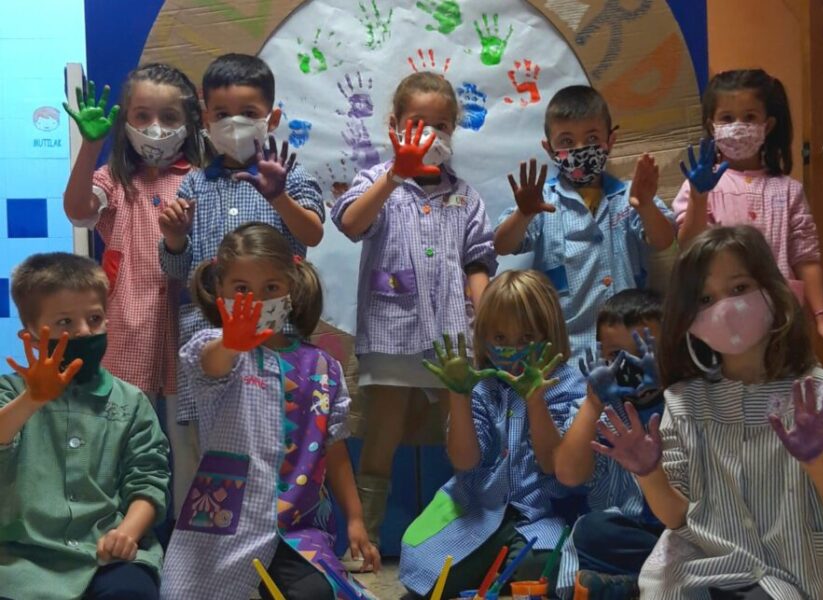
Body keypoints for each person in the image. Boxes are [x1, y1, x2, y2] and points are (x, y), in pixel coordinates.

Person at [595, 226, 823, 599]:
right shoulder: (682, 400)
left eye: (740, 288)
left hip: (797, 573)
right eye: (705, 298)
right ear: (689, 318)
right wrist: (648, 474)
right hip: (704, 567)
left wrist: (817, 461)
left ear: (772, 290)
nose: (725, 308)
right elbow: (676, 517)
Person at [160, 223, 379, 600]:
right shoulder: (213, 347)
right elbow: (211, 365)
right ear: (220, 290)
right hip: (224, 525)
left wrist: (356, 519)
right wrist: (232, 342)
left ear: (290, 289)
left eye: (271, 288)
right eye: (242, 289)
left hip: (296, 528)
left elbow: (335, 449)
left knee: (318, 594)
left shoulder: (322, 367)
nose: (257, 301)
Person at [331, 72, 496, 548]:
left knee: (465, 433)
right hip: (392, 333)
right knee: (382, 435)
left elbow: (478, 262)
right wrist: (394, 176)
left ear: (453, 130)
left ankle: (471, 532)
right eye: (418, 124)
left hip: (455, 338)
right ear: (395, 126)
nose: (431, 134)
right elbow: (350, 223)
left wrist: (486, 324)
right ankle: (365, 538)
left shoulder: (465, 196)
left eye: (441, 125)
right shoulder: (376, 181)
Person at [62, 64, 210, 513]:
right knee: (121, 440)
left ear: (191, 121)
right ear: (125, 120)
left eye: (169, 116)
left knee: (189, 447)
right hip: (128, 332)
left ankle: (188, 540)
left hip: (189, 334)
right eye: (142, 116)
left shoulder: (201, 179)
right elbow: (78, 211)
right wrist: (90, 146)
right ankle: (120, 532)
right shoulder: (115, 179)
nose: (155, 128)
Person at [158, 53, 325, 426]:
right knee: (214, 440)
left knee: (280, 427)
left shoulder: (292, 176)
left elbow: (313, 233)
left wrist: (278, 197)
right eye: (222, 114)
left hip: (276, 331)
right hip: (209, 336)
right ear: (206, 119)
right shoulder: (194, 184)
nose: (234, 124)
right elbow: (179, 271)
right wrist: (174, 238)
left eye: (249, 113)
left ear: (272, 119)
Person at [399, 270, 581, 598]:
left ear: (549, 333)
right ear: (483, 338)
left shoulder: (567, 385)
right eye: (500, 338)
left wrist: (535, 400)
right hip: (475, 507)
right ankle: (485, 566)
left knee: (540, 570)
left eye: (526, 338)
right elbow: (465, 461)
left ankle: (496, 568)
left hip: (540, 514)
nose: (512, 350)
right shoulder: (484, 386)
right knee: (423, 569)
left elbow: (553, 465)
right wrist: (459, 396)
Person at [0, 253, 170, 600]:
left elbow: (149, 480)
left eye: (94, 319)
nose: (83, 331)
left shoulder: (132, 402)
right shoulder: (11, 393)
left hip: (106, 556)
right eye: (65, 322)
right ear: (31, 337)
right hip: (19, 558)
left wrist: (126, 533)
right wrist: (32, 399)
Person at [674, 68, 823, 365]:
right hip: (722, 320)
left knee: (782, 383)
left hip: (781, 319)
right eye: (727, 118)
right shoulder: (700, 187)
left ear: (767, 125)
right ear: (712, 126)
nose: (738, 126)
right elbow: (689, 246)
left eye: (749, 117)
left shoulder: (788, 190)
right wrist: (698, 195)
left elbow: (806, 257)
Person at [494, 84, 675, 366]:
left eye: (591, 138)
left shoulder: (631, 196)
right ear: (549, 149)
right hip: (565, 355)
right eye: (566, 141)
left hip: (630, 347)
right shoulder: (542, 201)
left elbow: (664, 240)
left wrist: (646, 205)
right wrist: (523, 214)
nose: (580, 149)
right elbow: (502, 245)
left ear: (610, 141)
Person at [554, 290, 666, 599]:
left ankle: (636, 583)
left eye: (645, 351)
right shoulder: (601, 407)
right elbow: (568, 474)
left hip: (680, 531)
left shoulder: (682, 400)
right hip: (629, 535)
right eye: (617, 356)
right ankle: (640, 582)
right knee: (589, 532)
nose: (630, 366)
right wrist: (593, 402)